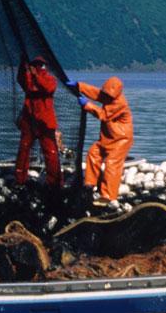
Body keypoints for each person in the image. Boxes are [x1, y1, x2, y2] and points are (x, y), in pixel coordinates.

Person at [70, 76, 134, 208]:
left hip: (121, 140)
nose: (105, 96)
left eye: (108, 94)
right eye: (105, 93)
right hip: (107, 138)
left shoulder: (119, 103)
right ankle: (89, 184)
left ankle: (108, 196)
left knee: (112, 164)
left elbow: (103, 115)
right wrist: (79, 86)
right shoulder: (108, 96)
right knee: (93, 153)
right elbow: (96, 93)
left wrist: (87, 105)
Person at [15, 56, 60, 188]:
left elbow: (47, 88)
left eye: (40, 65)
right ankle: (20, 179)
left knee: (50, 152)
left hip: (45, 122)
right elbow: (21, 79)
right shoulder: (28, 80)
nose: (38, 67)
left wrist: (36, 75)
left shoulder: (50, 79)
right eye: (35, 64)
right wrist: (23, 66)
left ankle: (54, 181)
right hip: (29, 121)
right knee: (23, 150)